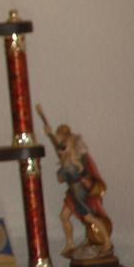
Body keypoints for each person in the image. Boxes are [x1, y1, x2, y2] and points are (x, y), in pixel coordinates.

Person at [38, 105, 113, 259]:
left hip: (80, 192)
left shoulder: (77, 158)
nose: (61, 147)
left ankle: (107, 242)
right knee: (64, 216)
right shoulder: (65, 155)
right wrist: (49, 133)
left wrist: (68, 165)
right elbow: (57, 146)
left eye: (63, 141)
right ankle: (70, 243)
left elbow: (75, 171)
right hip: (72, 192)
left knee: (89, 218)